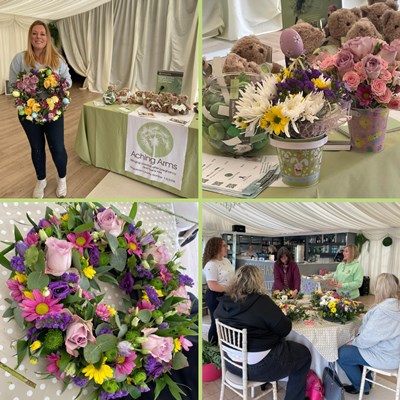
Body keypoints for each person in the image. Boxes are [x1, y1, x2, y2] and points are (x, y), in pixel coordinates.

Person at [214, 265, 311, 400]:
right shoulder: (262, 301)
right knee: (304, 355)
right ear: (258, 281)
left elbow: (217, 316)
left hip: (231, 363)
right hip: (258, 368)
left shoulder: (225, 300)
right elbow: (285, 329)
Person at [9, 20, 72, 199]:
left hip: (53, 113)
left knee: (57, 147)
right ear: (30, 36)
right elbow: (13, 84)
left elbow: (68, 80)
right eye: (35, 33)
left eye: (42, 34)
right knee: (36, 148)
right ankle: (41, 180)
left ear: (47, 38)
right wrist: (25, 89)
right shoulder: (20, 59)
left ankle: (62, 179)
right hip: (29, 114)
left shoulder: (57, 59)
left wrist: (57, 86)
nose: (38, 37)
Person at [338, 273, 400, 395]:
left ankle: (363, 386)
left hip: (386, 356)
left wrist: (353, 342)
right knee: (354, 347)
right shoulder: (395, 305)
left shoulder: (383, 311)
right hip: (393, 351)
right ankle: (367, 380)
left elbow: (367, 339)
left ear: (381, 288)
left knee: (342, 353)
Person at [203, 237, 234, 344]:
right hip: (215, 296)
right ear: (216, 248)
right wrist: (230, 289)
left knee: (226, 322)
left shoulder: (227, 261)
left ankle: (224, 343)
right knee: (216, 322)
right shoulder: (211, 264)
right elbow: (212, 285)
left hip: (227, 295)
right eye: (224, 246)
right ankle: (212, 345)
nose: (227, 248)